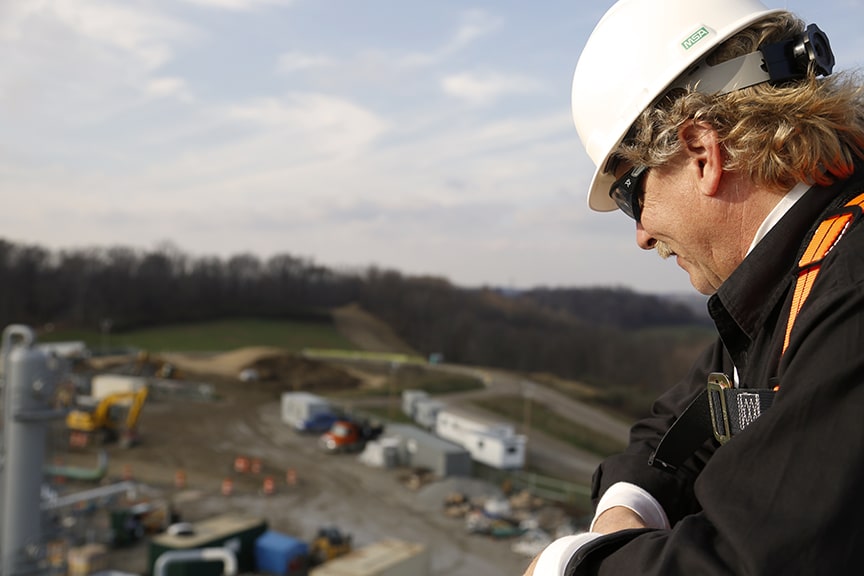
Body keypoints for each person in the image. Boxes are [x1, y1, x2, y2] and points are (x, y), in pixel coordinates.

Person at [524, 0, 864, 574]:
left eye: (631, 195)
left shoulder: (848, 286)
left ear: (703, 152)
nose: (641, 234)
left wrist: (568, 566)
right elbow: (694, 420)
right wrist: (627, 506)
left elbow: (761, 558)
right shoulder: (795, 277)